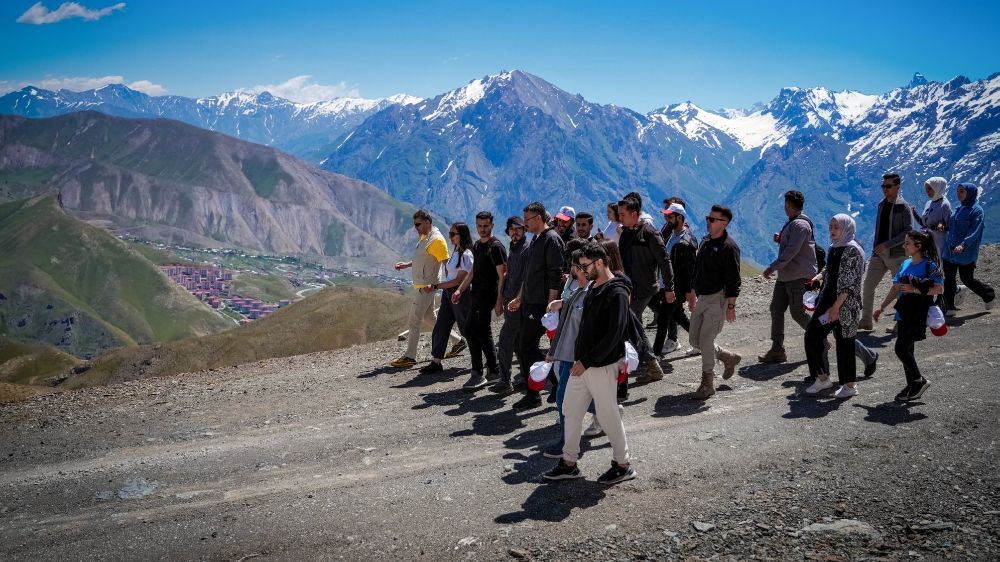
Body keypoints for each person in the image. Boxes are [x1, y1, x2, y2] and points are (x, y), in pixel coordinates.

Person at [543, 242, 636, 484]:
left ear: (599, 263)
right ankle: (569, 462)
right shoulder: (594, 287)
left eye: (585, 266)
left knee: (608, 416)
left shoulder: (615, 292)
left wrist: (587, 360)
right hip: (582, 364)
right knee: (570, 409)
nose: (581, 271)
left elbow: (614, 335)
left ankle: (623, 464)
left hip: (601, 365)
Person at [508, 202, 566, 410]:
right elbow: (528, 274)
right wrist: (520, 297)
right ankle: (551, 383)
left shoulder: (551, 240)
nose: (525, 224)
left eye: (528, 220)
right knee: (523, 346)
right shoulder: (536, 239)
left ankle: (539, 390)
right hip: (529, 301)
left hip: (541, 303)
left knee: (525, 346)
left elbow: (556, 275)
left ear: (539, 218)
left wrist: (550, 304)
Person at [874, 230, 945, 401]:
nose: (904, 246)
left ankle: (918, 380)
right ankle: (912, 385)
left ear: (918, 246)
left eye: (907, 243)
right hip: (903, 312)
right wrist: (882, 307)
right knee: (907, 349)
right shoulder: (905, 263)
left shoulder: (930, 265)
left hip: (917, 314)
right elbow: (896, 287)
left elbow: (939, 289)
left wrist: (914, 289)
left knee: (900, 348)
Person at [803, 215, 866, 398]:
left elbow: (849, 284)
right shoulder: (834, 247)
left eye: (836, 227)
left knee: (845, 343)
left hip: (845, 305)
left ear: (846, 228)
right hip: (827, 300)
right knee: (812, 336)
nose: (832, 230)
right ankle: (823, 378)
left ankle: (850, 386)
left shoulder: (852, 250)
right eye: (831, 226)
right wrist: (820, 277)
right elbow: (830, 269)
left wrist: (836, 307)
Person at [391, 210, 461, 368]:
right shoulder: (425, 237)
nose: (416, 228)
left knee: (414, 321)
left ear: (428, 222)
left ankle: (410, 356)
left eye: (418, 224)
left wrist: (451, 286)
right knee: (430, 318)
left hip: (427, 287)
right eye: (415, 224)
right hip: (425, 285)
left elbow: (446, 263)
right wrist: (406, 265)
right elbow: (422, 259)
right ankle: (458, 341)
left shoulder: (436, 240)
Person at [689, 205, 742, 400]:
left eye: (712, 219)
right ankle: (727, 357)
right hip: (703, 296)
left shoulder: (729, 246)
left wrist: (730, 305)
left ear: (724, 223)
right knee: (694, 340)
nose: (708, 222)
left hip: (718, 299)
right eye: (708, 218)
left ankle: (707, 383)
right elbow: (698, 268)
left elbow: (734, 279)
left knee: (705, 340)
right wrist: (692, 291)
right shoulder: (705, 241)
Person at [616, 197, 671, 384]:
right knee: (630, 323)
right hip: (629, 287)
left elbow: (664, 261)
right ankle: (636, 360)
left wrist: (670, 287)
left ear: (634, 214)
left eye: (622, 214)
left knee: (631, 322)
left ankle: (651, 363)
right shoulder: (625, 234)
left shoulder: (649, 233)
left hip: (645, 287)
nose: (619, 218)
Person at [759, 190, 818, 364]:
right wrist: (782, 238)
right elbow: (792, 245)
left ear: (789, 205)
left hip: (798, 276)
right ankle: (777, 350)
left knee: (797, 313)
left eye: (785, 204)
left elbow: (792, 251)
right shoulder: (794, 223)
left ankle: (820, 338)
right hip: (786, 275)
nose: (784, 208)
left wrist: (772, 267)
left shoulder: (800, 225)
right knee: (776, 309)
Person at [452, 212, 507, 390]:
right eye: (479, 226)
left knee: (470, 329)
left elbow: (502, 276)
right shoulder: (477, 245)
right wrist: (461, 289)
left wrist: (499, 300)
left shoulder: (496, 247)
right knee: (483, 332)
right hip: (476, 294)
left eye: (485, 226)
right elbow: (473, 271)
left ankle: (477, 373)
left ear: (492, 225)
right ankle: (493, 369)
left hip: (488, 296)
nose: (482, 230)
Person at [418, 223, 474, 374]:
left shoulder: (466, 254)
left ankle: (487, 357)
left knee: (467, 328)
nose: (450, 237)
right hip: (448, 294)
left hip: (460, 294)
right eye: (449, 234)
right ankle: (436, 361)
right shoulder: (455, 251)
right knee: (441, 325)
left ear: (462, 235)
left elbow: (459, 281)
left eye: (453, 234)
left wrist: (436, 286)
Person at [860, 173, 914, 330]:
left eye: (888, 186)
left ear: (897, 186)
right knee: (868, 286)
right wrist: (877, 247)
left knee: (901, 290)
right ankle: (866, 321)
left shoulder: (903, 206)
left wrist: (887, 244)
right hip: (878, 254)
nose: (885, 189)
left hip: (897, 255)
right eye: (883, 186)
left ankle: (901, 324)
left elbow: (908, 232)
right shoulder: (881, 205)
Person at [942, 183, 995, 313]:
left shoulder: (976, 211)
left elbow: (975, 231)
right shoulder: (959, 208)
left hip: (965, 252)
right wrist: (944, 227)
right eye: (958, 191)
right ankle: (950, 307)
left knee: (967, 279)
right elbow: (952, 226)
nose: (958, 193)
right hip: (950, 250)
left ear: (970, 193)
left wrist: (963, 244)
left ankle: (988, 294)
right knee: (948, 278)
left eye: (962, 191)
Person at [490, 217, 528, 395]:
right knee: (519, 343)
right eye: (512, 229)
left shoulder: (527, 249)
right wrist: (500, 299)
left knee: (505, 341)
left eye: (518, 229)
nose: (515, 232)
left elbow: (526, 279)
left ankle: (505, 382)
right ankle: (526, 377)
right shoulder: (513, 249)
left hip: (519, 304)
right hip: (509, 302)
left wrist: (518, 299)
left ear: (524, 229)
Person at [654, 202, 696, 357]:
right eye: (665, 216)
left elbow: (691, 270)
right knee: (677, 314)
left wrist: (691, 292)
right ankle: (700, 342)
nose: (667, 219)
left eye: (670, 216)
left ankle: (656, 353)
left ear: (680, 217)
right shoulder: (673, 235)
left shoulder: (686, 241)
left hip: (676, 287)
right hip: (668, 284)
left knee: (663, 317)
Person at [918, 177, 952, 258]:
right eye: (926, 189)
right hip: (927, 240)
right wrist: (914, 213)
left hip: (939, 243)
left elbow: (950, 226)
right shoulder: (928, 203)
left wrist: (942, 226)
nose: (927, 191)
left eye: (930, 188)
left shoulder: (945, 205)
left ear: (937, 187)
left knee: (938, 265)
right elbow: (924, 223)